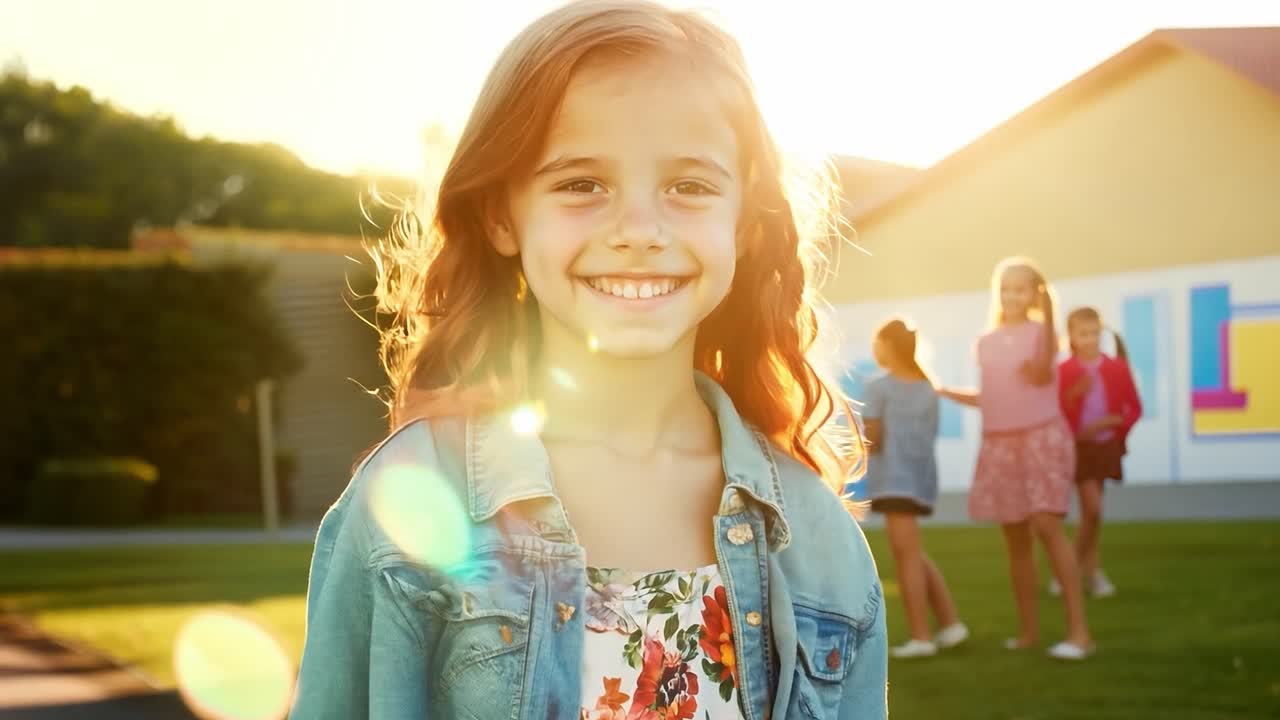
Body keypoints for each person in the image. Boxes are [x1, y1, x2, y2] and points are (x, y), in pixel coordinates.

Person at [288, 2, 887, 718]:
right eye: (581, 183)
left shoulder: (818, 536)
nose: (639, 230)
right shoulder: (414, 499)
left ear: (745, 224)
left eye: (688, 185)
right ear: (502, 217)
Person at [938, 256, 1094, 660]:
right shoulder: (986, 343)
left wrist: (1048, 306)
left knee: (1046, 525)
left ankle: (1079, 634)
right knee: (1015, 539)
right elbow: (992, 398)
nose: (1010, 296)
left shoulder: (1045, 336)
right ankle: (1029, 633)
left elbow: (1041, 375)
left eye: (1020, 288)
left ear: (1034, 293)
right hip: (1000, 444)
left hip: (1042, 439)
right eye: (1005, 288)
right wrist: (943, 391)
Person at [861, 318, 968, 659]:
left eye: (877, 342)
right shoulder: (928, 389)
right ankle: (951, 625)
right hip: (919, 479)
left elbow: (872, 439)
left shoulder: (877, 386)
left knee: (905, 554)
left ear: (889, 347)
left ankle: (922, 637)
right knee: (913, 552)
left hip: (893, 481)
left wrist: (845, 453)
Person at [1053, 306, 1142, 599]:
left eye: (1094, 333)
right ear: (1072, 337)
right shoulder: (1064, 372)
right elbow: (1059, 412)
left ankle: (1087, 573)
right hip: (1079, 448)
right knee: (1092, 510)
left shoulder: (1116, 367)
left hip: (1107, 446)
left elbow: (1134, 407)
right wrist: (1074, 396)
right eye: (1083, 334)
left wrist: (1115, 426)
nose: (1089, 339)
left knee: (1093, 515)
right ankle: (1074, 569)